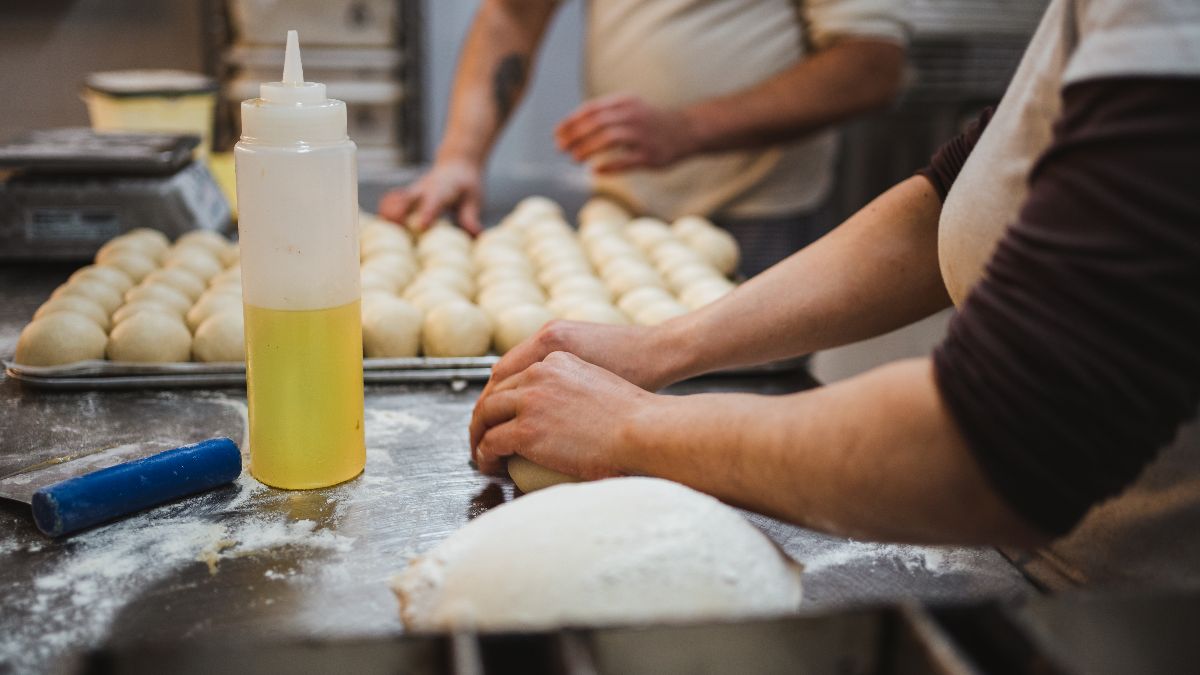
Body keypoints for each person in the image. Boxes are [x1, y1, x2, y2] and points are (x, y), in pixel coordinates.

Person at [469, 0, 1200, 587]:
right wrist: (663, 346)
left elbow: (1005, 438)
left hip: (1136, 615)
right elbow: (956, 192)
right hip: (1053, 571)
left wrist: (632, 429)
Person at [380, 0, 907, 276]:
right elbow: (513, 12)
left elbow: (871, 66)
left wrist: (689, 128)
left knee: (739, 425)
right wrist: (459, 157)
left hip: (759, 221)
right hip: (620, 212)